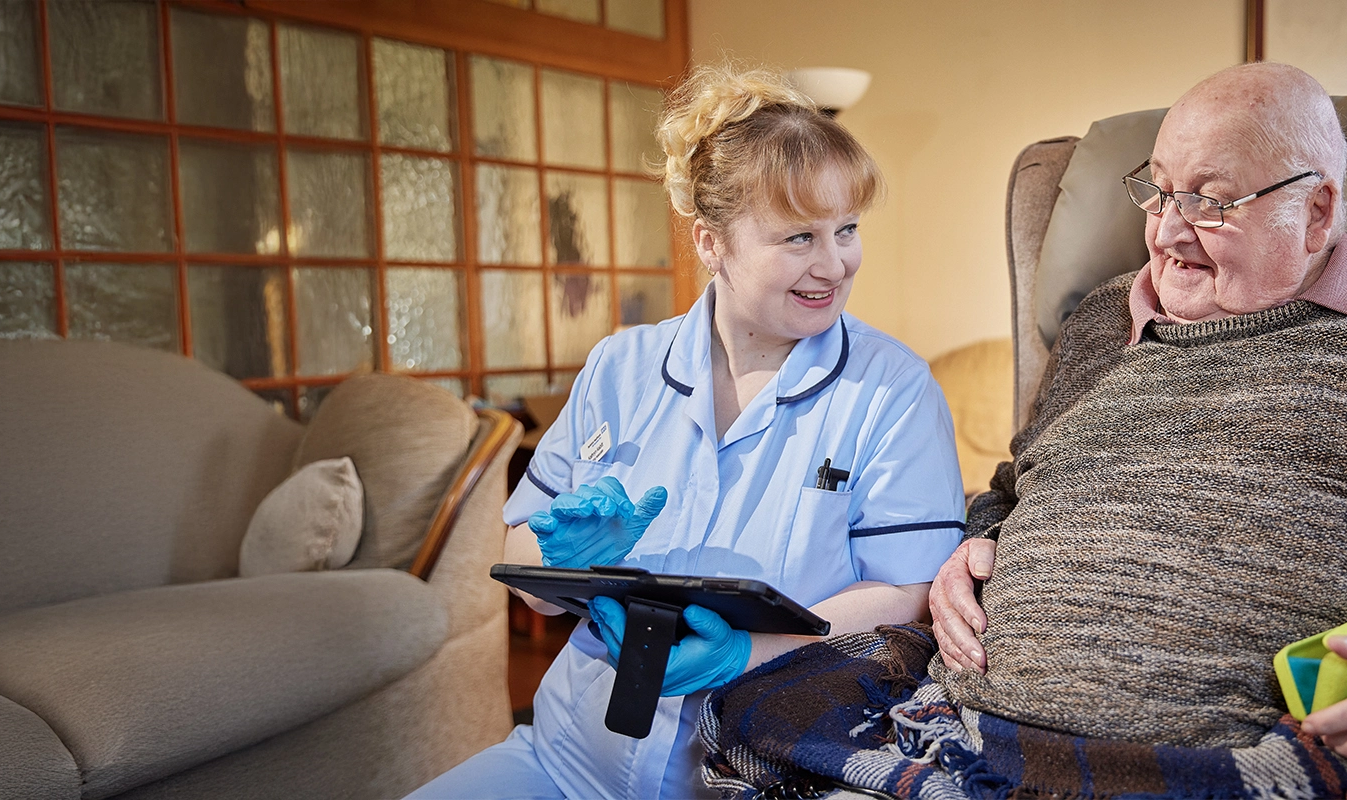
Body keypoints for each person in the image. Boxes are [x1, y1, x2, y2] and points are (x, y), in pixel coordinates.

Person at [922, 61, 1347, 781]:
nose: (1165, 233)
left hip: (1270, 771)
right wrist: (972, 548)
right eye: (1157, 190)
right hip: (958, 742)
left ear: (1317, 210)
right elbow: (1016, 485)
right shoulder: (1102, 322)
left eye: (1209, 202)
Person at [406, 65, 967, 799]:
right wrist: (555, 550)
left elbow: (905, 593)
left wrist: (744, 652)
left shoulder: (892, 390)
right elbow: (526, 571)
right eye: (799, 236)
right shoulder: (620, 365)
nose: (835, 264)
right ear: (710, 242)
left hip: (756, 773)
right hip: (567, 758)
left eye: (847, 230)